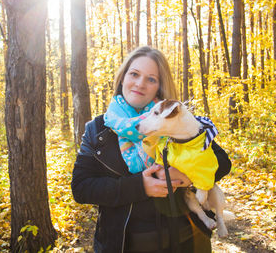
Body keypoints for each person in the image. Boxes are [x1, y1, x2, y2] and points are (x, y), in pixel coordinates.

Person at [71, 46, 231, 253]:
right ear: (122, 78)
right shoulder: (97, 129)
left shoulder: (176, 120)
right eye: (134, 74)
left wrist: (187, 175)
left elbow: (222, 162)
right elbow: (81, 188)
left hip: (187, 240)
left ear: (159, 87)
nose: (140, 84)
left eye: (151, 79)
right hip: (124, 244)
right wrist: (140, 187)